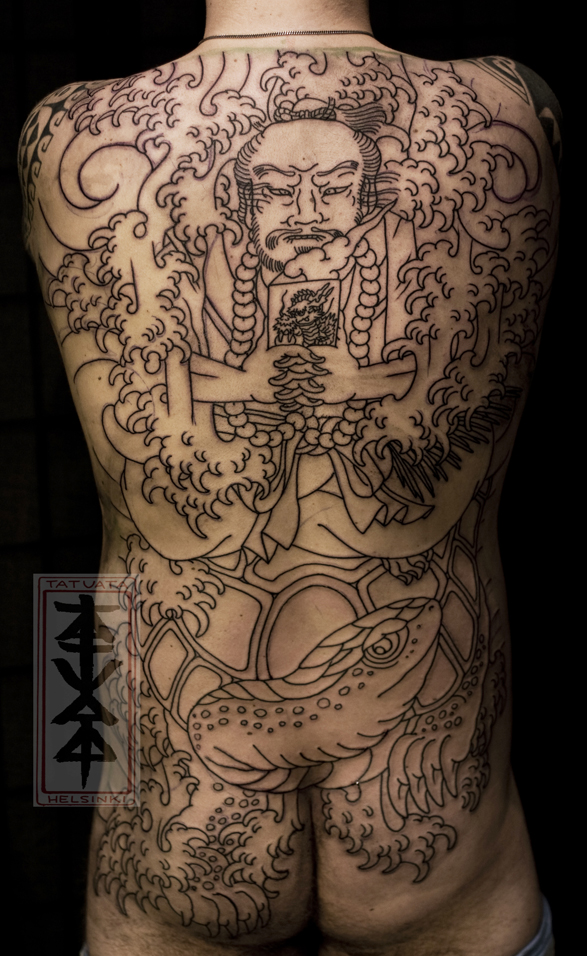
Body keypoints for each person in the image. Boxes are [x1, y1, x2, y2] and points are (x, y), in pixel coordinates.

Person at [19, 0, 561, 953]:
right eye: (276, 191)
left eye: (336, 190)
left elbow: (94, 560)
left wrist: (76, 790)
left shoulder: (68, 134)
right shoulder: (508, 112)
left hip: (169, 861)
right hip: (449, 875)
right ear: (242, 202)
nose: (308, 215)